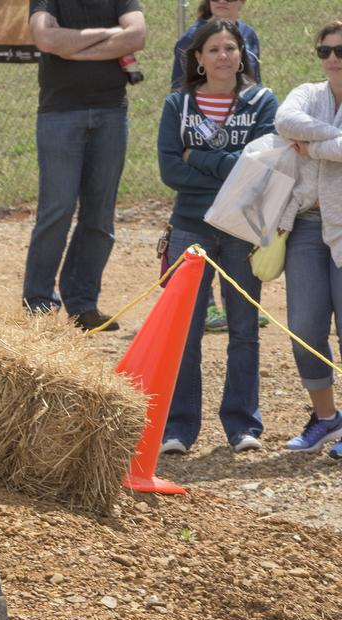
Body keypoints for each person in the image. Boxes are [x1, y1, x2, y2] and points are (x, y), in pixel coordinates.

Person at [156, 20, 277, 456]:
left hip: (244, 228)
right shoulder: (177, 105)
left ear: (242, 56)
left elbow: (262, 165)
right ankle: (178, 428)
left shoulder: (263, 102)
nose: (223, 55)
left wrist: (199, 157)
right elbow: (171, 171)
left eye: (231, 48)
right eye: (213, 49)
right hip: (191, 225)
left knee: (244, 328)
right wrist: (231, 167)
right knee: (185, 332)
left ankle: (243, 425)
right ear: (198, 58)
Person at [22, 0, 146, 332]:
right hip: (60, 112)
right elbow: (46, 40)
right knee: (57, 210)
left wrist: (73, 45)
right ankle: (39, 304)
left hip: (110, 112)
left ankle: (83, 304)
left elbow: (136, 35)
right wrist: (108, 36)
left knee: (100, 215)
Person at [170, 0, 263, 334]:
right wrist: (217, 140)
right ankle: (206, 302)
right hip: (204, 146)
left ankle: (237, 300)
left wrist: (240, 147)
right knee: (200, 224)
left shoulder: (249, 35)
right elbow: (183, 99)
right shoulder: (190, 39)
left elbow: (254, 96)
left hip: (238, 151)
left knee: (235, 228)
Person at [274, 21, 342, 456]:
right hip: (303, 226)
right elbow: (284, 120)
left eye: (341, 49)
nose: (333, 57)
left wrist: (313, 146)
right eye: (325, 50)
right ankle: (328, 420)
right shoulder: (307, 93)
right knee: (304, 327)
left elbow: (302, 135)